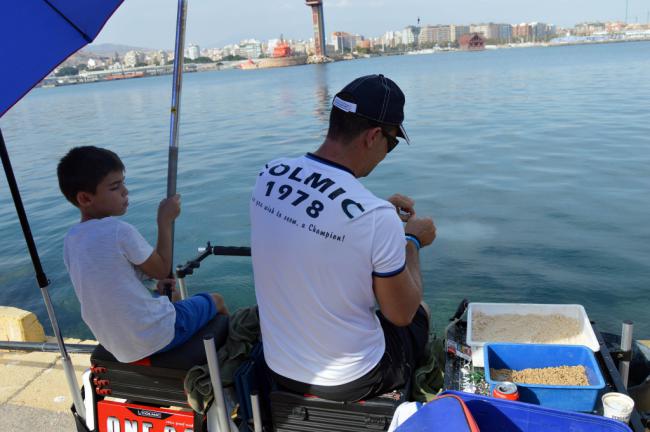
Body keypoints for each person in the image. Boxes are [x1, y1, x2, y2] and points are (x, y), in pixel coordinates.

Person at [250, 74, 436, 401]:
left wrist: (379, 211)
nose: (387, 152)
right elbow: (400, 314)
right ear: (374, 136)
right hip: (351, 377)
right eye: (391, 143)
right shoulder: (375, 218)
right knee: (420, 310)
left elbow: (320, 214)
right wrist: (412, 242)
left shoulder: (269, 174)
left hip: (277, 365)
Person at [57, 146, 228, 363]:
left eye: (123, 183)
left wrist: (150, 280)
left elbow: (113, 279)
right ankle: (233, 360)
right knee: (217, 300)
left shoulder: (71, 240)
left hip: (117, 345)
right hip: (155, 337)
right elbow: (161, 269)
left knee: (168, 293)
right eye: (115, 187)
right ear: (85, 198)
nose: (125, 191)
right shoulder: (119, 230)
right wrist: (164, 220)